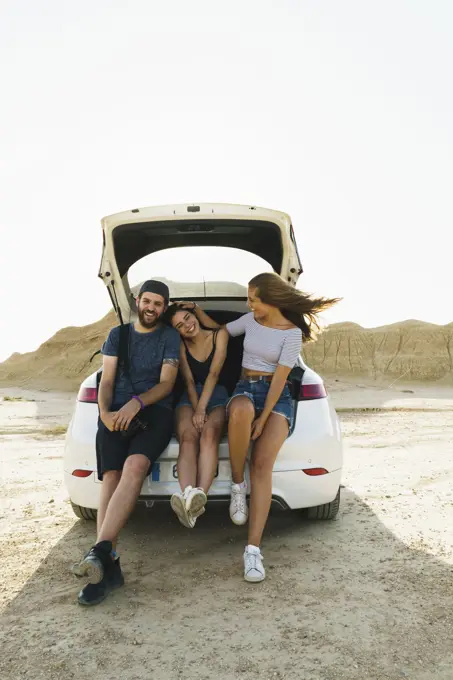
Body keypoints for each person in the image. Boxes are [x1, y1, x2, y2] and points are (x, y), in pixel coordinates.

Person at [184, 272, 340, 583]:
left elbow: (282, 379)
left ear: (269, 299)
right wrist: (198, 312)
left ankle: (252, 550)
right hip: (244, 387)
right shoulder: (250, 321)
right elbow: (219, 330)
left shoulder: (292, 333)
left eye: (253, 299)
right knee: (240, 411)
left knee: (262, 464)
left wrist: (265, 416)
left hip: (276, 396)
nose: (249, 303)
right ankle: (237, 486)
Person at [72, 280, 180, 606]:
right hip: (114, 414)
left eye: (158, 304)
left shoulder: (169, 337)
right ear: (137, 300)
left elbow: (166, 384)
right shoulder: (117, 335)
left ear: (164, 308)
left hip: (154, 413)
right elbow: (106, 380)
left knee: (136, 465)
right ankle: (107, 563)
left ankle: (100, 554)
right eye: (147, 301)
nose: (151, 308)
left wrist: (137, 402)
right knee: (111, 477)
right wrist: (104, 412)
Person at [164, 304, 229, 528]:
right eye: (180, 325)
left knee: (209, 434)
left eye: (188, 318)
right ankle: (188, 496)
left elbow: (213, 374)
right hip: (190, 396)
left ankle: (199, 499)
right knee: (189, 437)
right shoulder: (181, 345)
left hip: (218, 394)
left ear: (195, 315)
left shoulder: (220, 335)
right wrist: (195, 409)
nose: (187, 326)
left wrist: (201, 410)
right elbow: (189, 380)